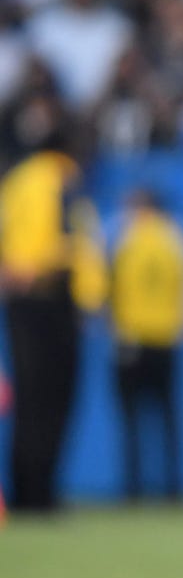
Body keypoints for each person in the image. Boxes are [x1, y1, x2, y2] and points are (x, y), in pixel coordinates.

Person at [0, 80, 104, 515]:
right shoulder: (61, 180)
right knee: (54, 400)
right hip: (50, 297)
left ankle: (27, 490)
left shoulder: (18, 180)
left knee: (29, 398)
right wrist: (88, 299)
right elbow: (76, 244)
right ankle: (41, 493)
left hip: (21, 299)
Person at [108, 186, 183, 502]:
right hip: (167, 339)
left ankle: (133, 490)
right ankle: (173, 489)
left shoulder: (124, 236)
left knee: (131, 421)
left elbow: (108, 285)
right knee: (168, 419)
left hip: (131, 338)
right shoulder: (178, 239)